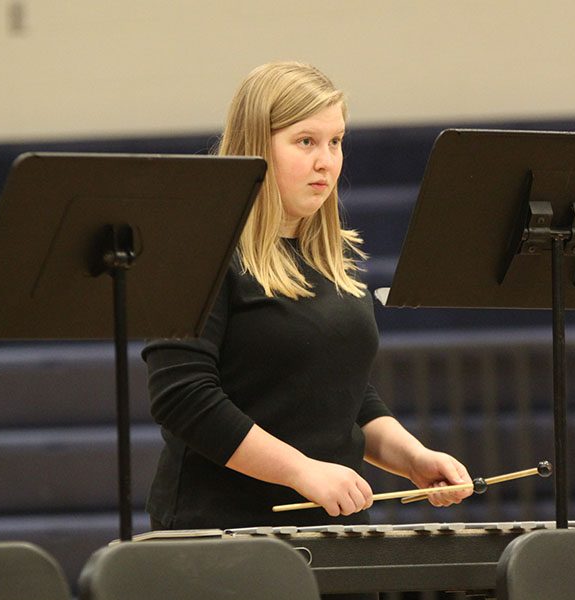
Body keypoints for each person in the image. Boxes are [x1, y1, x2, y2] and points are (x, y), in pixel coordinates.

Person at [142, 61, 473, 536]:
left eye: (335, 141)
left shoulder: (333, 257)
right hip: (222, 536)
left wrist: (414, 458)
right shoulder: (201, 250)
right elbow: (183, 398)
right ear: (258, 146)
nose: (327, 161)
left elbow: (346, 396)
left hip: (336, 532)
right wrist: (302, 470)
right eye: (305, 141)